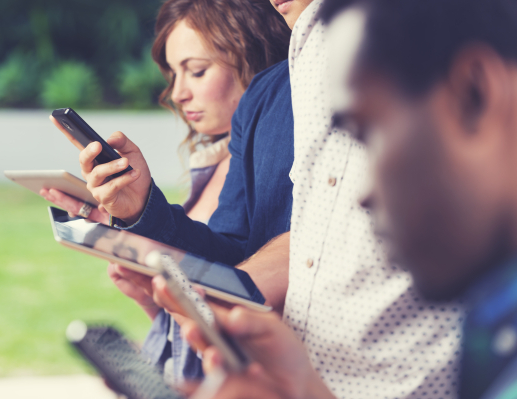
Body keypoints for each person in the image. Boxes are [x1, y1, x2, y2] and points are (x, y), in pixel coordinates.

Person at [175, 0, 517, 397]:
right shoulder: (493, 321)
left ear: (475, 91)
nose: (362, 195)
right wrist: (304, 389)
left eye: (370, 135)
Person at [42, 0, 292, 384]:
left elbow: (230, 278)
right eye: (173, 74)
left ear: (253, 57)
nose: (177, 94)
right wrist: (137, 226)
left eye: (196, 71)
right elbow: (220, 267)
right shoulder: (226, 148)